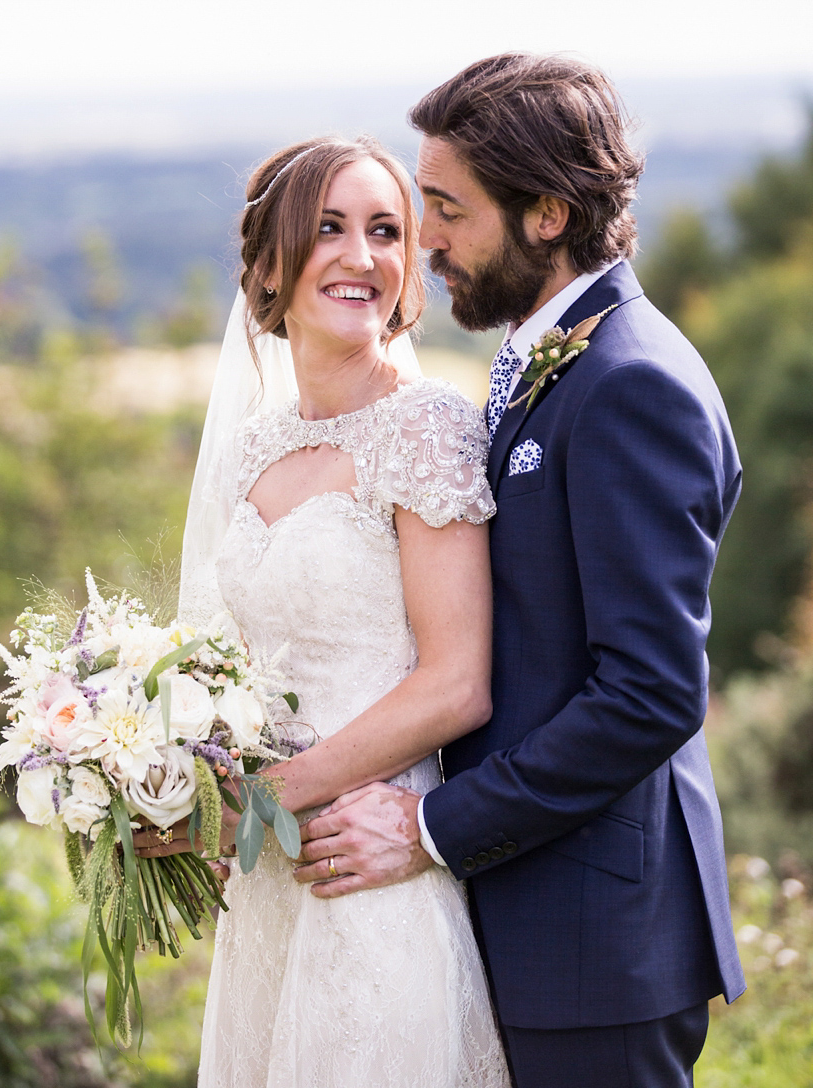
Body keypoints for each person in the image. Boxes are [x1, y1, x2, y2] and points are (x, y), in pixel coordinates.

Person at [295, 54, 746, 1088]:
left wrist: (430, 826)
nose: (429, 240)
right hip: (532, 915)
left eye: (447, 209)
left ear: (546, 213)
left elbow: (650, 694)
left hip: (597, 941)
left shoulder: (634, 385)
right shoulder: (556, 355)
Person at [135, 135, 510, 1086]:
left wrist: (267, 800)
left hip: (367, 860)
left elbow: (457, 683)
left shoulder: (425, 427)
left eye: (387, 230)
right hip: (269, 882)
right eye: (329, 228)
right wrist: (169, 785)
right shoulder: (256, 448)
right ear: (268, 263)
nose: (363, 256)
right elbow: (232, 672)